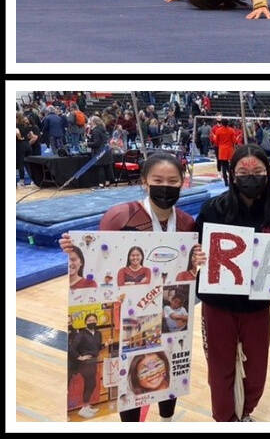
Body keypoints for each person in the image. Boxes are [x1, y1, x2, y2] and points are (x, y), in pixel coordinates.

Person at [59, 152, 204, 422]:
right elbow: (98, 265)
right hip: (130, 315)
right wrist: (75, 248)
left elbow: (185, 271)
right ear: (145, 182)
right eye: (158, 179)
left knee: (169, 365)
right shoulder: (119, 216)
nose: (166, 186)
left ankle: (167, 420)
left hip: (170, 315)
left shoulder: (186, 223)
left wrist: (197, 261)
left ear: (182, 182)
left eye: (173, 180)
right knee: (131, 378)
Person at [195, 144, 270, 422]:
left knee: (257, 370)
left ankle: (245, 411)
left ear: (268, 173)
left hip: (257, 306)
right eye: (243, 171)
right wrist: (197, 255)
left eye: (258, 171)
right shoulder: (213, 208)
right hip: (218, 306)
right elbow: (194, 248)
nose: (251, 176)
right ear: (233, 175)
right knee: (220, 368)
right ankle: (225, 419)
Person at [68, 312, 111, 418]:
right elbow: (72, 348)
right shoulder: (81, 334)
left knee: (92, 384)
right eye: (89, 320)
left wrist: (106, 344)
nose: (91, 322)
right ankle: (83, 408)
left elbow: (96, 348)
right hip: (85, 364)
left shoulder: (98, 334)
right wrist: (80, 357)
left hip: (93, 362)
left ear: (96, 321)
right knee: (90, 384)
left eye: (93, 320)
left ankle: (86, 407)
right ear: (85, 322)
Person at [86, 116, 115, 188]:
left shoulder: (95, 130)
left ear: (93, 122)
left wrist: (87, 144)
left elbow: (96, 143)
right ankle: (108, 183)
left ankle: (101, 184)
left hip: (100, 152)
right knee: (107, 167)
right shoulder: (103, 129)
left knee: (100, 168)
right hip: (106, 150)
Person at [212, 118, 237, 186]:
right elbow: (234, 141)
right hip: (229, 149)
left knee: (224, 165)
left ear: (222, 123)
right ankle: (232, 177)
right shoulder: (231, 130)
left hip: (222, 150)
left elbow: (216, 142)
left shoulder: (218, 131)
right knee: (229, 165)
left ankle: (226, 181)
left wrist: (214, 138)